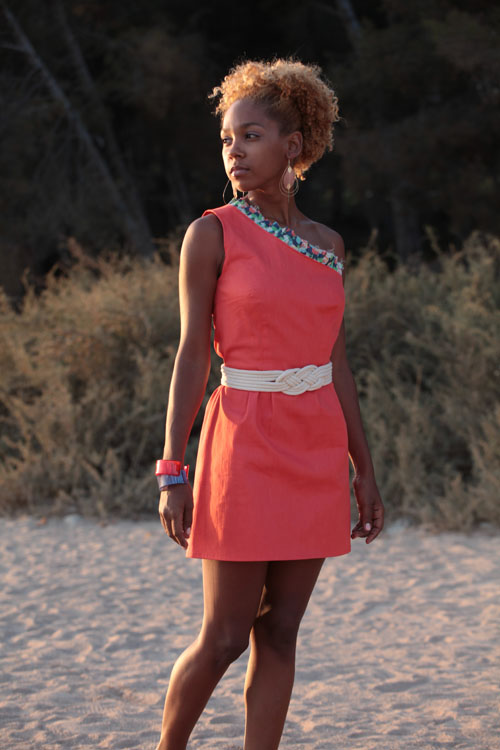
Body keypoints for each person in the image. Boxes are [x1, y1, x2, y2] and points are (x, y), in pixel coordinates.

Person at [155, 58, 384, 750]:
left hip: (315, 444)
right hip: (242, 439)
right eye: (227, 139)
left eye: (250, 136)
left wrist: (364, 469)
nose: (234, 151)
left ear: (294, 145)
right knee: (225, 635)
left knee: (281, 631)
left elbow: (335, 361)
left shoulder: (329, 246)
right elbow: (193, 354)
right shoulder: (212, 233)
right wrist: (172, 468)